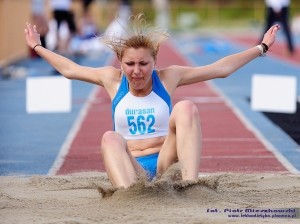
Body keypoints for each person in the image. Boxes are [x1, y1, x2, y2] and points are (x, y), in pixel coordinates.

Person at [24, 14, 280, 188]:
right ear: (120, 62)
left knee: (186, 108)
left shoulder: (168, 78)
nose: (137, 71)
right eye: (130, 64)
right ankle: (130, 198)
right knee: (110, 137)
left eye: (144, 64)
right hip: (131, 168)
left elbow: (220, 68)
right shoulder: (112, 80)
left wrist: (261, 48)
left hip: (165, 165)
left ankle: (191, 186)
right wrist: (37, 47)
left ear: (154, 61)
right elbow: (70, 70)